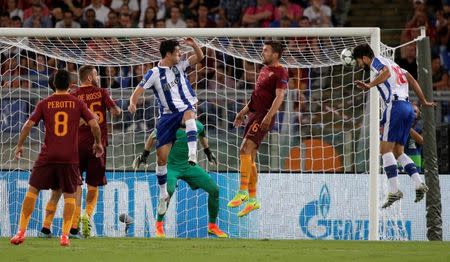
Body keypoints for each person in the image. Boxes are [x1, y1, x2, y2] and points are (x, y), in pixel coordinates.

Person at [10, 70, 103, 246]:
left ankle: (21, 232)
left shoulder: (44, 103)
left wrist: (19, 145)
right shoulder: (77, 103)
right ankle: (65, 236)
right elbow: (94, 125)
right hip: (70, 157)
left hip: (48, 155)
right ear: (70, 84)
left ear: (53, 85)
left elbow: (28, 124)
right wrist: (98, 143)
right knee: (70, 195)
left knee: (33, 190)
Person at [38, 65, 122, 239]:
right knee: (93, 184)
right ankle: (86, 216)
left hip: (73, 147)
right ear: (90, 77)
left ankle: (60, 226)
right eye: (96, 74)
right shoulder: (102, 92)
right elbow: (115, 112)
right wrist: (118, 111)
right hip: (97, 146)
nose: (98, 77)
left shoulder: (73, 96)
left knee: (70, 186)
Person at [353, 43, 434, 208]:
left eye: (359, 61)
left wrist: (369, 85)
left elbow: (386, 73)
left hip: (395, 107)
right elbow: (411, 79)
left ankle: (394, 190)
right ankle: (418, 183)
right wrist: (423, 101)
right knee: (398, 152)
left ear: (365, 57)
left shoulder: (377, 62)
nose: (359, 65)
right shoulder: (395, 64)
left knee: (385, 151)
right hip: (408, 108)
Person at [128, 38, 204, 216]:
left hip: (185, 107)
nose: (180, 54)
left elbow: (199, 57)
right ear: (168, 54)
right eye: (177, 52)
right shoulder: (154, 73)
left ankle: (192, 153)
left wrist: (194, 45)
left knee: (189, 115)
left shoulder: (181, 65)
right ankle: (163, 195)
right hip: (167, 116)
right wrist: (133, 103)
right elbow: (138, 91)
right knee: (161, 159)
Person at [132, 120, 228, 238]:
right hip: (171, 167)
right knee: (168, 191)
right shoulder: (169, 124)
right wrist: (144, 155)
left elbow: (202, 135)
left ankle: (212, 226)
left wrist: (208, 152)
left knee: (214, 189)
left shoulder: (197, 125)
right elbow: (152, 137)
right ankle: (159, 226)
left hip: (189, 166)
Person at [227, 41, 288, 217]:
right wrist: (243, 111)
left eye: (266, 50)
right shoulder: (263, 69)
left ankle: (242, 192)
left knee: (244, 149)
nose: (263, 53)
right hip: (254, 114)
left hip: (263, 116)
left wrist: (269, 116)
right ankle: (253, 200)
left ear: (275, 54)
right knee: (250, 157)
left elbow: (280, 96)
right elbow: (256, 96)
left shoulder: (281, 71)